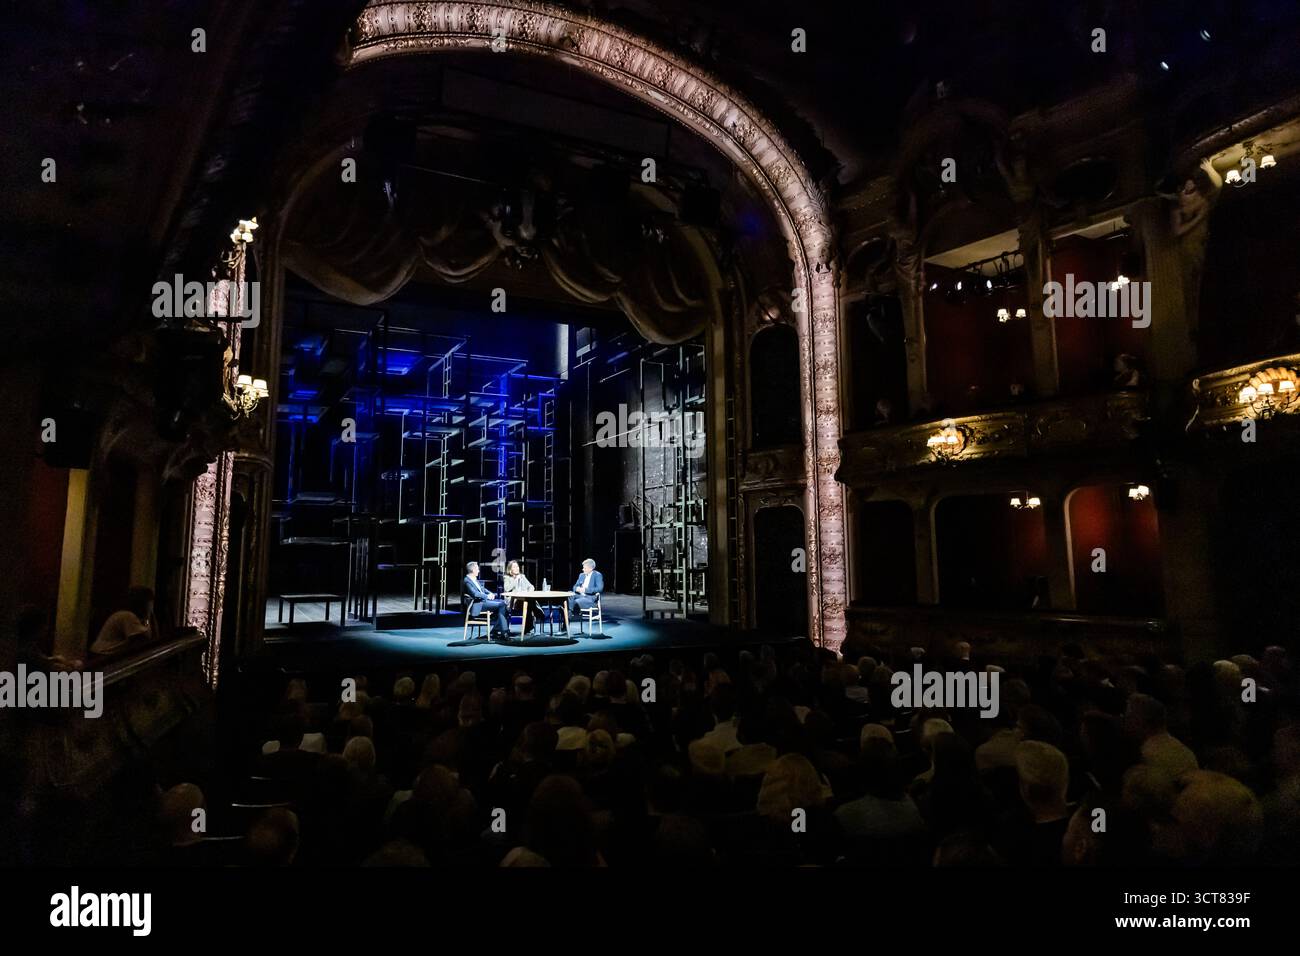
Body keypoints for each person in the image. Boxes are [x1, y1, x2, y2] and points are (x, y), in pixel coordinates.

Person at [89, 586, 158, 657]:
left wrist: (147, 618)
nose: (151, 605)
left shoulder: (130, 615)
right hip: (104, 654)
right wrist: (149, 615)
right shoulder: (127, 616)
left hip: (106, 653)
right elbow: (142, 639)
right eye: (150, 602)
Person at [463, 561, 511, 639]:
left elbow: (483, 589)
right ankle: (504, 633)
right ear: (473, 570)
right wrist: (487, 596)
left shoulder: (474, 579)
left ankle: (495, 631)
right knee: (502, 605)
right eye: (477, 569)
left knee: (504, 605)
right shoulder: (467, 580)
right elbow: (475, 594)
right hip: (478, 604)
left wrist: (491, 593)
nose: (478, 571)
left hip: (483, 602)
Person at [563, 558, 603, 634]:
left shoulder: (597, 575)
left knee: (572, 603)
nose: (582, 569)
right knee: (569, 594)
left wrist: (585, 590)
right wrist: (577, 589)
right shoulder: (581, 575)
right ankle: (570, 612)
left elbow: (599, 588)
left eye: (584, 568)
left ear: (591, 568)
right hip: (580, 596)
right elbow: (574, 587)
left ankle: (566, 624)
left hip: (590, 599)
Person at [502, 560, 535, 635]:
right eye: (514, 567)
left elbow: (531, 586)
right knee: (529, 603)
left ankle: (527, 628)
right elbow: (507, 588)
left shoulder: (522, 576)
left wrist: (529, 591)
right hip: (512, 601)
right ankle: (537, 614)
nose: (517, 568)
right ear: (510, 569)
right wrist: (516, 580)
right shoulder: (507, 577)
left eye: (517, 566)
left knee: (528, 603)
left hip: (523, 600)